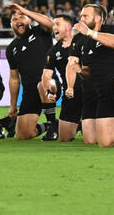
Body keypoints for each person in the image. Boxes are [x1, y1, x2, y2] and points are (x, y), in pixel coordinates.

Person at [70, 4, 114, 148]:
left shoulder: (111, 29)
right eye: (81, 16)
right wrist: (79, 70)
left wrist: (90, 32)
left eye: (85, 16)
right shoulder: (83, 42)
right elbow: (88, 73)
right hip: (103, 93)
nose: (81, 19)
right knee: (101, 142)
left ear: (98, 18)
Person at [5, 3, 54, 140]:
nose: (18, 21)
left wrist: (23, 9)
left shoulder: (40, 32)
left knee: (42, 84)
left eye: (22, 17)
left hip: (49, 84)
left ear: (30, 20)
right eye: (15, 19)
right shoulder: (11, 48)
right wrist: (13, 105)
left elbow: (50, 23)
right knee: (23, 134)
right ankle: (52, 125)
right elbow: (14, 78)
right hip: (29, 91)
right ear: (11, 24)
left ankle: (52, 126)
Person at [39, 14, 82, 142]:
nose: (54, 28)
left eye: (57, 24)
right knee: (65, 137)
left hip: (91, 93)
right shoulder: (53, 51)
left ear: (68, 26)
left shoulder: (82, 41)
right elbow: (46, 75)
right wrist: (48, 91)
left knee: (95, 137)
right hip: (71, 95)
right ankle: (78, 125)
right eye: (53, 25)